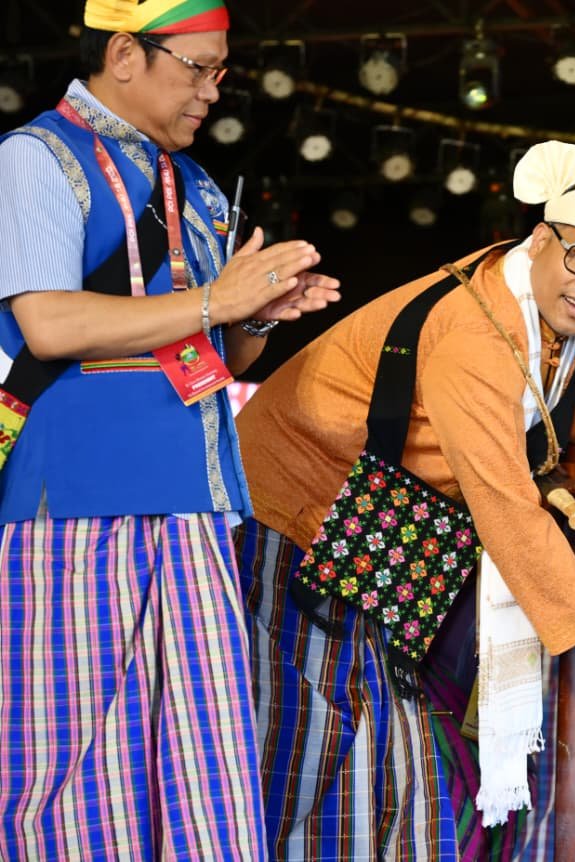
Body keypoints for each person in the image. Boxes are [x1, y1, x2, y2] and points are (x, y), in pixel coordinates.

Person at [233, 140, 575, 860]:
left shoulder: (537, 304)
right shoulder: (478, 338)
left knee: (382, 764)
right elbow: (508, 511)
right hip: (294, 524)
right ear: (541, 238)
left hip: (384, 533)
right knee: (305, 754)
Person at [0, 2, 340, 858]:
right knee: (74, 778)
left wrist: (256, 316)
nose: (213, 91)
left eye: (220, 71)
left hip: (193, 507)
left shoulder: (195, 185)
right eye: (198, 68)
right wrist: (218, 300)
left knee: (202, 774)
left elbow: (216, 349)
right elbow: (48, 324)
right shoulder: (37, 157)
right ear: (124, 53)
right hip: (76, 512)